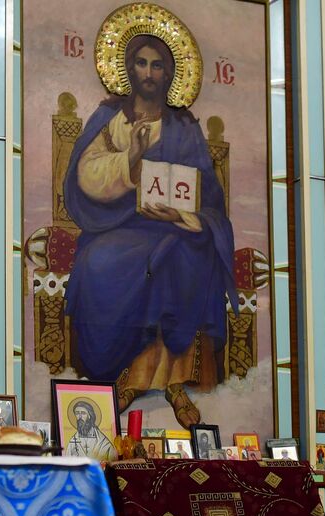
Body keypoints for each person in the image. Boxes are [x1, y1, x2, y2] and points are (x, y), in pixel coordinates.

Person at [62, 32, 236, 429]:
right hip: (119, 224)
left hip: (174, 227)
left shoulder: (184, 127)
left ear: (170, 73)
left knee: (180, 254)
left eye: (157, 65)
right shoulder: (110, 119)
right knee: (98, 260)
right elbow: (86, 176)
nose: (149, 72)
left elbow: (207, 191)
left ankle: (174, 384)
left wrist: (182, 216)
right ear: (128, 68)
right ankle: (130, 378)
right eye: (141, 63)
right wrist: (132, 159)